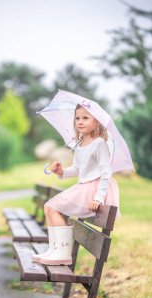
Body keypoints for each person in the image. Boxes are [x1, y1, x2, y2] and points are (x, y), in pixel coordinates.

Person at [32, 104, 120, 266]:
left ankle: (63, 253)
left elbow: (106, 172)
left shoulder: (99, 143)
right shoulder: (80, 144)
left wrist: (98, 198)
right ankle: (54, 249)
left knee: (52, 207)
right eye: (77, 118)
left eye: (85, 118)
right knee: (48, 207)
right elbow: (78, 169)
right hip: (83, 185)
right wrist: (61, 171)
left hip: (92, 188)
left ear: (97, 123)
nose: (80, 121)